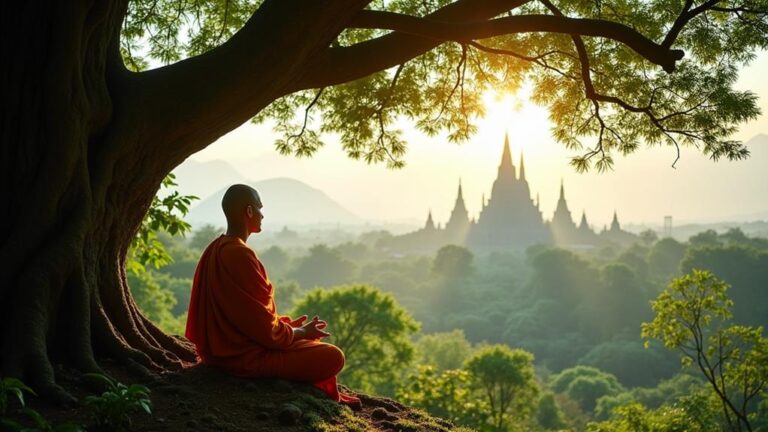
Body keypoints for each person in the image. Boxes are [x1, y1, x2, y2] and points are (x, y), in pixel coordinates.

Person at [185, 184, 360, 406]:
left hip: (222, 351)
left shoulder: (215, 248)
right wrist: (299, 332)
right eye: (259, 208)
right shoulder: (239, 254)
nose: (262, 215)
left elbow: (247, 316)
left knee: (316, 350)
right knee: (333, 357)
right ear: (248, 211)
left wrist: (287, 327)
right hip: (242, 357)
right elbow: (266, 333)